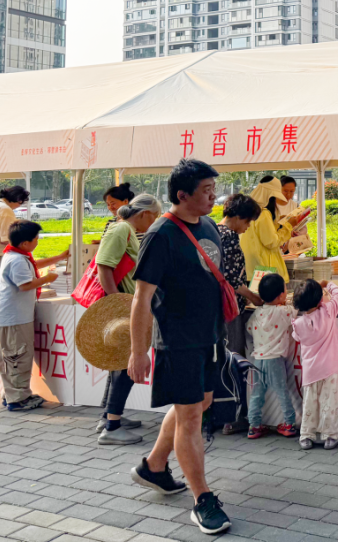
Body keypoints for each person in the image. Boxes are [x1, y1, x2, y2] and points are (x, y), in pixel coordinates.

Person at [128, 158, 231, 535]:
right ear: (182, 195)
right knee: (191, 416)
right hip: (178, 341)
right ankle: (202, 498)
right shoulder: (161, 234)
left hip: (210, 337)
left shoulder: (209, 225)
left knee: (198, 404)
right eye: (206, 191)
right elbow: (141, 297)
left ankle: (154, 466)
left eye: (214, 189)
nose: (214, 196)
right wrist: (138, 351)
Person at [96, 194, 162, 446]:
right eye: (154, 216)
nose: (154, 222)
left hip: (128, 305)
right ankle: (111, 426)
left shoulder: (127, 230)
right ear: (144, 214)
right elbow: (104, 266)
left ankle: (110, 417)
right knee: (125, 366)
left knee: (121, 365)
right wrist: (119, 304)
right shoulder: (122, 229)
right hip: (124, 307)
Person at [0, 220, 68, 411]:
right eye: (36, 239)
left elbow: (34, 265)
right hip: (15, 319)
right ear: (25, 243)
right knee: (18, 357)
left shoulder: (16, 255)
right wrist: (47, 279)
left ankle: (12, 393)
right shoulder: (17, 260)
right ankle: (18, 399)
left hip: (12, 317)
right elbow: (25, 285)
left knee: (11, 357)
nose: (38, 241)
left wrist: (60, 257)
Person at [216, 193, 264, 436]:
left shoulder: (210, 230)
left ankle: (213, 413)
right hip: (230, 309)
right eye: (248, 222)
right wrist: (254, 297)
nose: (247, 228)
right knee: (234, 360)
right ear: (238, 217)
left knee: (215, 362)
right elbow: (234, 281)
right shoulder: (231, 237)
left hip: (211, 309)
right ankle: (235, 417)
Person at [291, 278, 338, 450]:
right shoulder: (329, 311)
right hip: (329, 368)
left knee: (309, 403)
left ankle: (306, 436)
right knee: (329, 403)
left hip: (310, 371)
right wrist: (327, 284)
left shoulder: (298, 324)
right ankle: (330, 436)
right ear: (320, 300)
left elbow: (297, 338)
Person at [245, 273, 298, 439]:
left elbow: (249, 328)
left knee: (256, 393)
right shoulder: (283, 312)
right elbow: (297, 310)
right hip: (275, 360)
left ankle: (254, 426)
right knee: (282, 391)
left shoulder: (257, 313)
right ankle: (289, 423)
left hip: (257, 360)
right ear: (281, 295)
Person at [240, 178, 302, 281]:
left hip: (251, 266)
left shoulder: (248, 210)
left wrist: (278, 224)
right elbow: (272, 242)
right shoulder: (263, 214)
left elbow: (262, 234)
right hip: (263, 268)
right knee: (263, 292)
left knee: (253, 292)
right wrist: (288, 225)